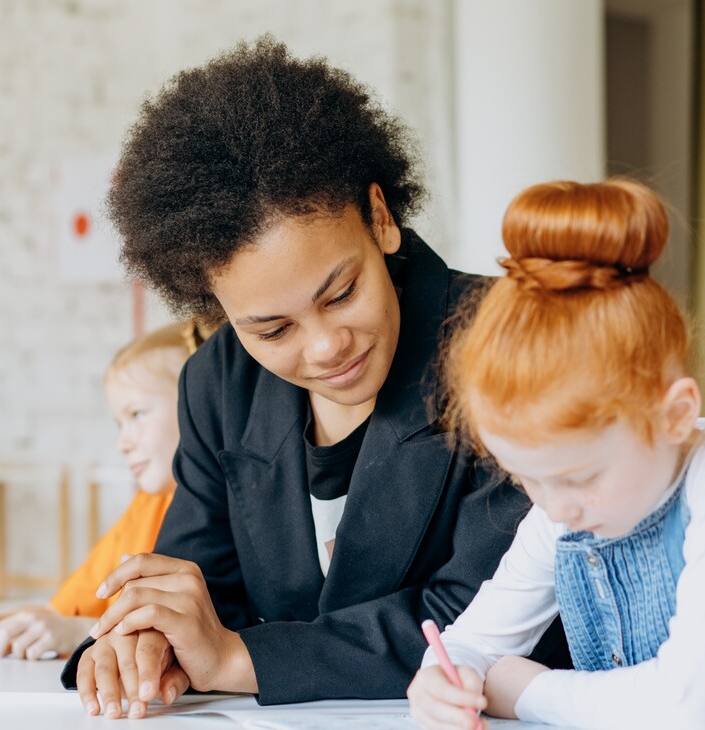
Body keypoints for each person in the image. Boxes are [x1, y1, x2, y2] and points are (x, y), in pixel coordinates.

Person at [64, 37, 570, 720]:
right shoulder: (217, 384)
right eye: (272, 330)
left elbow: (487, 615)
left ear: (381, 218)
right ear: (220, 313)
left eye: (341, 292)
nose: (328, 346)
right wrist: (146, 641)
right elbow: (198, 587)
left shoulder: (514, 343)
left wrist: (239, 659)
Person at [406, 179, 705, 729]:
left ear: (675, 414)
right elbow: (472, 642)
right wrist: (440, 678)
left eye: (579, 476)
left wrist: (525, 689)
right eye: (528, 480)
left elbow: (686, 707)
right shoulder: (562, 512)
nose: (554, 508)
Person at [0, 321, 205, 660]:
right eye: (119, 424)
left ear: (202, 407)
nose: (123, 443)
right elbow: (64, 612)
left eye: (137, 414)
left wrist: (80, 634)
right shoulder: (146, 506)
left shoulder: (214, 515)